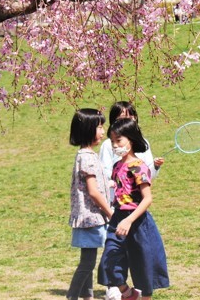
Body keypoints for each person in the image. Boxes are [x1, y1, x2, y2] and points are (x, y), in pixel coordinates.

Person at [100, 118, 170, 300]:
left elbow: (147, 199)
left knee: (144, 265)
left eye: (119, 140)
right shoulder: (116, 166)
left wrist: (129, 220)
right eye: (112, 141)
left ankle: (144, 296)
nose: (115, 145)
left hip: (137, 221)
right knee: (109, 260)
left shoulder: (138, 167)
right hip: (117, 219)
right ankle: (127, 292)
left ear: (130, 140)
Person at [67, 109, 113, 300]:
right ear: (87, 129)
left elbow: (93, 185)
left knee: (87, 261)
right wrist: (110, 212)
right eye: (99, 127)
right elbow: (93, 191)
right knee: (87, 263)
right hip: (91, 218)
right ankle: (71, 297)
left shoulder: (86, 155)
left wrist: (108, 183)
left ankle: (88, 297)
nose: (103, 131)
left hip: (88, 218)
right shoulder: (86, 157)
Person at [100, 102, 164, 192]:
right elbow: (105, 172)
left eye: (130, 118)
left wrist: (155, 166)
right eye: (122, 119)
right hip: (115, 198)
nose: (115, 145)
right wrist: (122, 178)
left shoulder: (143, 142)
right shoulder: (107, 145)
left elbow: (147, 175)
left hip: (137, 201)